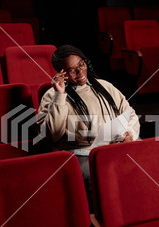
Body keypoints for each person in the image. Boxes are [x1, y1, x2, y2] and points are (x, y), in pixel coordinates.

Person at [37, 45, 140, 207]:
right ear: (61, 73)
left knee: (147, 164)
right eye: (71, 70)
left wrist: (131, 135)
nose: (80, 73)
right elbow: (52, 135)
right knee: (103, 179)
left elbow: (130, 113)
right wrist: (60, 96)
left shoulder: (104, 86)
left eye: (81, 65)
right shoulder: (52, 96)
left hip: (116, 145)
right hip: (83, 153)